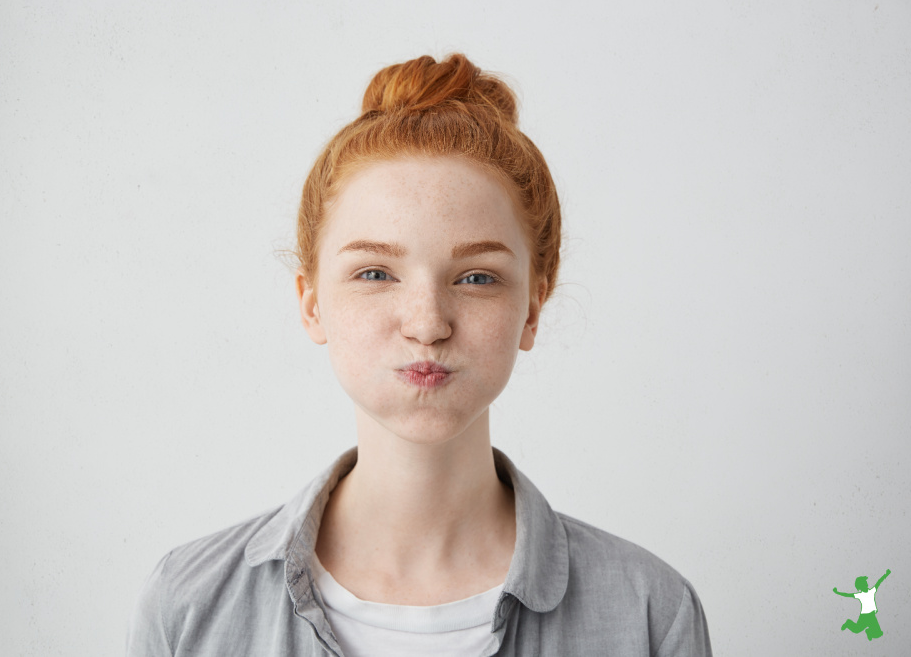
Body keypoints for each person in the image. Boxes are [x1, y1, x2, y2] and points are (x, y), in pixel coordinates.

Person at [125, 53, 713, 656]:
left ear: (533, 307)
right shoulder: (188, 608)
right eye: (376, 272)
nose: (428, 325)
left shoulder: (649, 614)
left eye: (477, 278)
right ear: (311, 304)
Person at [834, 569, 891, 641]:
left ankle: (869, 632)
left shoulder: (872, 591)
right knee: (857, 630)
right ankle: (848, 623)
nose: (866, 583)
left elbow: (879, 582)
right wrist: (837, 592)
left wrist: (886, 574)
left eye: (866, 582)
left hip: (872, 615)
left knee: (879, 633)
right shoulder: (860, 595)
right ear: (860, 586)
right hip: (864, 616)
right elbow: (847, 595)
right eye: (864, 582)